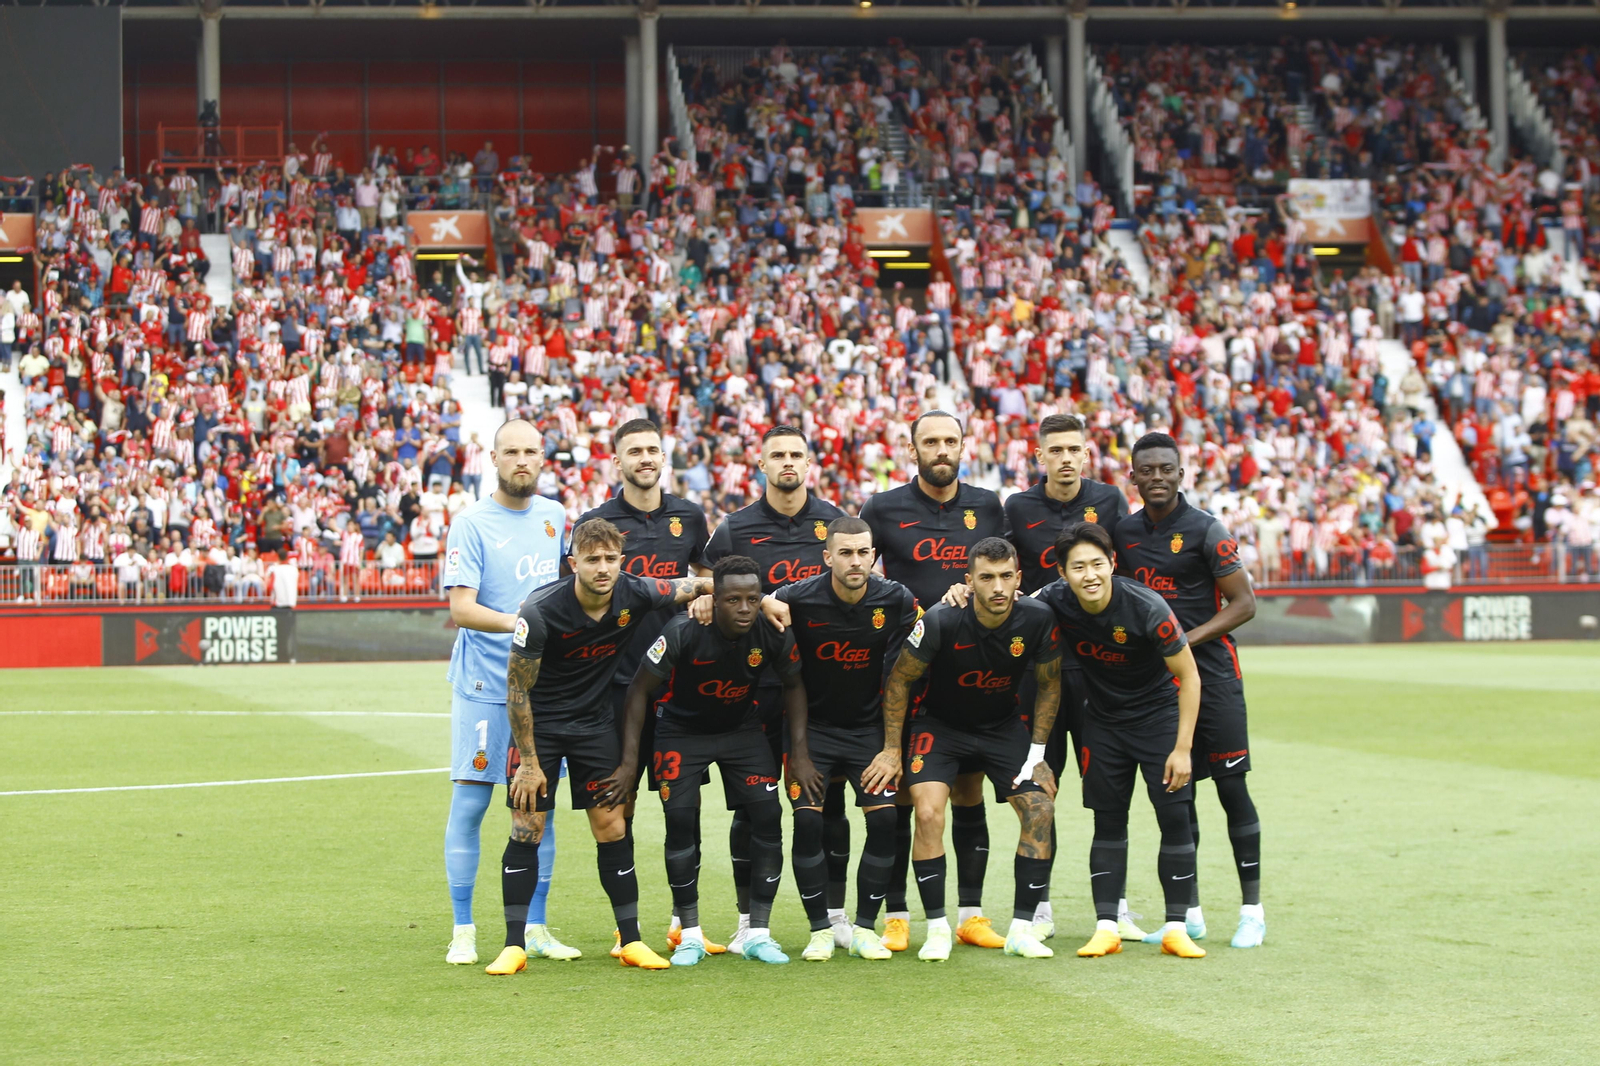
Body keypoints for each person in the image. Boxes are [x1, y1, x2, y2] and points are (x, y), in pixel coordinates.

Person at [484, 518, 713, 976]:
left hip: (593, 726)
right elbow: (516, 692)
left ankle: (630, 941)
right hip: (539, 729)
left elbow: (692, 584)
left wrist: (733, 596)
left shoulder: (635, 591)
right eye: (592, 560)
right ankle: (514, 945)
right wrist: (529, 763)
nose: (603, 568)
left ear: (620, 561)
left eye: (610, 558)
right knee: (526, 824)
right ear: (573, 565)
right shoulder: (540, 609)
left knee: (612, 825)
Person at [613, 555, 820, 966]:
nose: (743, 608)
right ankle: (689, 933)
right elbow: (638, 692)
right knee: (680, 826)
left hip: (742, 732)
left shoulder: (772, 630)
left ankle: (757, 933)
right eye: (732, 600)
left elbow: (795, 685)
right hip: (680, 733)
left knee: (767, 817)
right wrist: (627, 765)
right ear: (714, 597)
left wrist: (799, 755)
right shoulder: (683, 631)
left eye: (752, 599)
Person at [867, 537, 1060, 962]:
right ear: (968, 581)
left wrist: (1037, 753)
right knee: (929, 811)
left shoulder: (1038, 618)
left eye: (1006, 577)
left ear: (1018, 579)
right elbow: (900, 680)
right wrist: (892, 750)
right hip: (941, 726)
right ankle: (937, 928)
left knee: (1040, 809)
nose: (998, 587)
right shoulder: (940, 620)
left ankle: (1022, 929)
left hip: (1002, 726)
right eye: (986, 578)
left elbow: (1049, 683)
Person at [860, 410, 1010, 952]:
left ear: (963, 446)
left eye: (950, 441)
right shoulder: (882, 507)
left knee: (968, 790)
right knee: (904, 794)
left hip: (972, 672)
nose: (941, 449)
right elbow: (857, 578)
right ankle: (897, 916)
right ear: (912, 448)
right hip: (907, 671)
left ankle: (970, 913)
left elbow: (1008, 578)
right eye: (931, 442)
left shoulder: (988, 505)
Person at [1114, 432, 1264, 950]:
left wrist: (1179, 639)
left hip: (1215, 678)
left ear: (1182, 474)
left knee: (1231, 789)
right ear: (1131, 477)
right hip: (1162, 686)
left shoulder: (1206, 529)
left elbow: (1243, 603)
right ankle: (1192, 914)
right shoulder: (1123, 533)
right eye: (1147, 469)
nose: (1157, 477)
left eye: (1166, 469)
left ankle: (1252, 911)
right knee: (1179, 793)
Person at [1035, 521, 1207, 960]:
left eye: (1097, 563)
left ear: (1112, 563)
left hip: (1158, 722)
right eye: (1078, 567)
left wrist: (1183, 748)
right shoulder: (1054, 599)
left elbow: (1189, 676)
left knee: (1174, 818)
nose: (1089, 575)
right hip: (1104, 725)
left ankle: (1175, 927)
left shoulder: (1148, 608)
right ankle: (1107, 927)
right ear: (1062, 573)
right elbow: (1009, 608)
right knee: (1108, 823)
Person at [699, 425, 843, 952]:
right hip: (755, 686)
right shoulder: (735, 528)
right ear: (760, 464)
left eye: (796, 455)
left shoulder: (835, 523)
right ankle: (747, 920)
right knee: (752, 808)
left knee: (826, 805)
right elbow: (711, 590)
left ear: (810, 463)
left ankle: (834, 916)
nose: (788, 462)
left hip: (825, 685)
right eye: (777, 455)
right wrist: (763, 603)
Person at [574, 418, 715, 954]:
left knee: (681, 805)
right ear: (617, 461)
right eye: (634, 451)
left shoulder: (689, 516)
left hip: (679, 686)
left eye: (653, 449)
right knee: (620, 803)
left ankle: (686, 923)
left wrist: (703, 591)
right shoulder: (595, 522)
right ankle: (625, 927)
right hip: (614, 685)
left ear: (664, 455)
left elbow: (706, 576)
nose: (645, 458)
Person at [439, 419, 568, 967]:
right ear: (493, 458)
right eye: (510, 451)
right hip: (484, 684)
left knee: (541, 808)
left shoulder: (556, 516)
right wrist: (520, 623)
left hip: (542, 689)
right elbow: (461, 608)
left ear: (543, 458)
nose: (521, 460)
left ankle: (535, 926)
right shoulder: (470, 523)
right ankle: (463, 928)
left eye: (531, 451)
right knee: (471, 803)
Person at [1003, 411, 1134, 938]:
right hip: (1041, 667)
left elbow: (1121, 573)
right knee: (1041, 787)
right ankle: (1039, 906)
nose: (1064, 458)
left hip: (1100, 669)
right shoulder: (1017, 507)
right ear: (1039, 456)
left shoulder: (1110, 501)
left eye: (1073, 449)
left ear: (1086, 453)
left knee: (1109, 788)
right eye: (1054, 450)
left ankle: (1116, 907)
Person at [768, 516, 917, 960]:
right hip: (810, 732)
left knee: (886, 821)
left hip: (868, 731)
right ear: (828, 556)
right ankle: (819, 930)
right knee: (810, 820)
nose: (856, 561)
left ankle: (865, 928)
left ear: (874, 555)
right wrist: (758, 601)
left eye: (864, 553)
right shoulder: (799, 597)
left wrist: (893, 747)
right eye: (846, 553)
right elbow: (756, 602)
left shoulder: (897, 600)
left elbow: (908, 670)